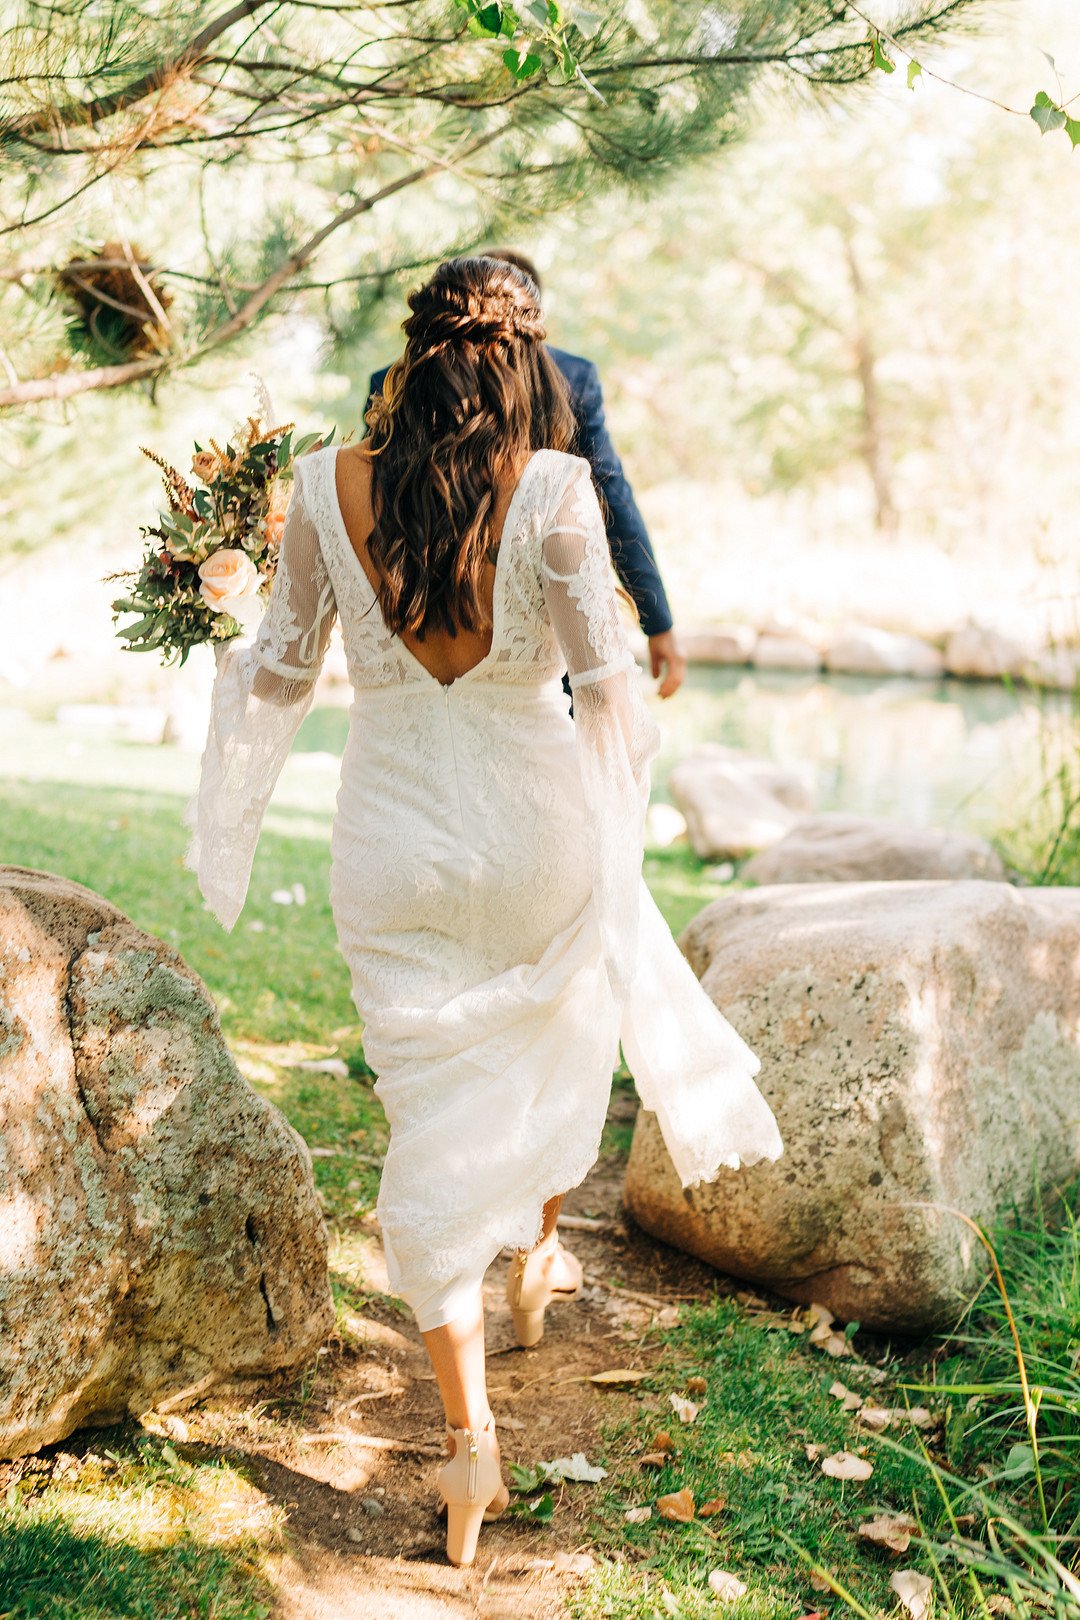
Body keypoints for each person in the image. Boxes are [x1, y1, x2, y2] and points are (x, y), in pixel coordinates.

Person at [186, 256, 782, 1569]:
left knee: (428, 1119)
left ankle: (469, 1448)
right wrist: (617, 834)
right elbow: (610, 688)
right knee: (542, 1048)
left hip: (392, 842)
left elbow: (281, 676)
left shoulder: (318, 488)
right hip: (534, 828)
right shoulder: (560, 493)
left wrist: (213, 614)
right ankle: (539, 1246)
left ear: (408, 353)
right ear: (529, 365)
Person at [365, 248, 687, 702]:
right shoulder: (393, 383)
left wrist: (657, 618)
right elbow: (374, 500)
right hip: (423, 615)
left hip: (518, 613)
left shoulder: (572, 378)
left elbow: (609, 495)